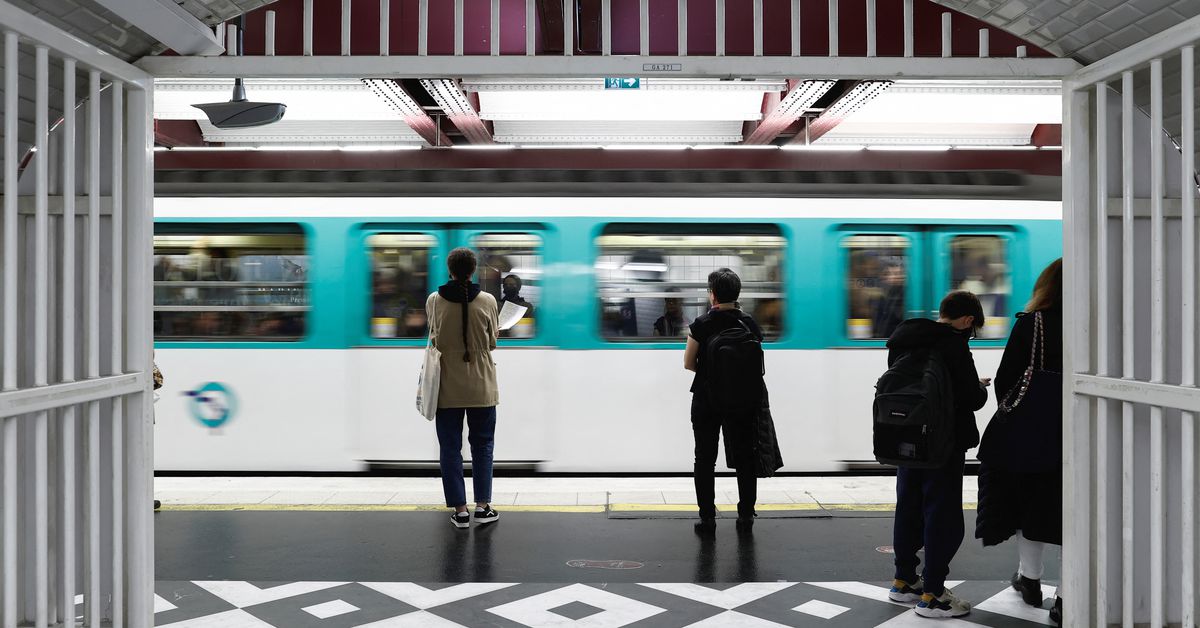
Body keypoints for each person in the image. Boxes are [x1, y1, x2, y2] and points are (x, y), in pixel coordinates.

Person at [885, 291, 991, 618]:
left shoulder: (904, 338)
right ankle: (932, 595)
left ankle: (904, 581)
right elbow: (971, 398)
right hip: (943, 443)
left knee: (909, 505)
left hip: (906, 438)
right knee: (941, 513)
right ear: (968, 320)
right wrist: (981, 386)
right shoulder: (953, 344)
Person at [975, 259, 1063, 625]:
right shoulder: (1103, 322)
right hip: (1084, 434)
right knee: (1073, 514)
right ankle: (1066, 599)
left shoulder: (1033, 324)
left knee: (1031, 509)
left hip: (1033, 436)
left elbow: (1006, 380)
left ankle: (1030, 579)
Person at [684, 268, 763, 534]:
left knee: (705, 459)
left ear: (713, 294)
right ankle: (745, 516)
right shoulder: (750, 324)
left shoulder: (701, 324)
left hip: (707, 399)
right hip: (742, 400)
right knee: (744, 457)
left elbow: (688, 363)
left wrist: (712, 374)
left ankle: (707, 518)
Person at [427, 247, 501, 529]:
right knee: (482, 446)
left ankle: (460, 511)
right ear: (473, 270)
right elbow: (492, 342)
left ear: (450, 269)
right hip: (482, 384)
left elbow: (434, 339)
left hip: (447, 385)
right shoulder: (489, 300)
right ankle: (483, 506)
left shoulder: (434, 301)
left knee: (450, 448)